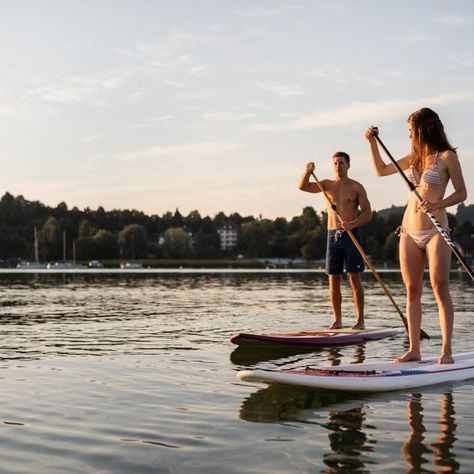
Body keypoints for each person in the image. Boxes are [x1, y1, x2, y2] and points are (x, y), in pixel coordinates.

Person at [365, 108, 467, 364]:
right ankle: (414, 349)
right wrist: (372, 144)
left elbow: (462, 193)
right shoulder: (413, 158)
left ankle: (446, 350)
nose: (409, 134)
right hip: (409, 230)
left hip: (436, 230)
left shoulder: (447, 156)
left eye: (411, 129)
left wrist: (437, 204)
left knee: (440, 288)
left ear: (422, 129)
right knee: (412, 291)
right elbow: (381, 170)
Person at [298, 152, 372, 330]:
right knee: (334, 279)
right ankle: (337, 320)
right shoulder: (326, 185)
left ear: (348, 165)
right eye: (335, 163)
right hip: (332, 236)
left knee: (354, 278)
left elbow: (368, 213)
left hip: (351, 235)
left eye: (341, 163)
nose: (338, 166)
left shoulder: (356, 187)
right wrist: (308, 172)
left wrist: (353, 223)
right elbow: (303, 187)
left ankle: (360, 321)